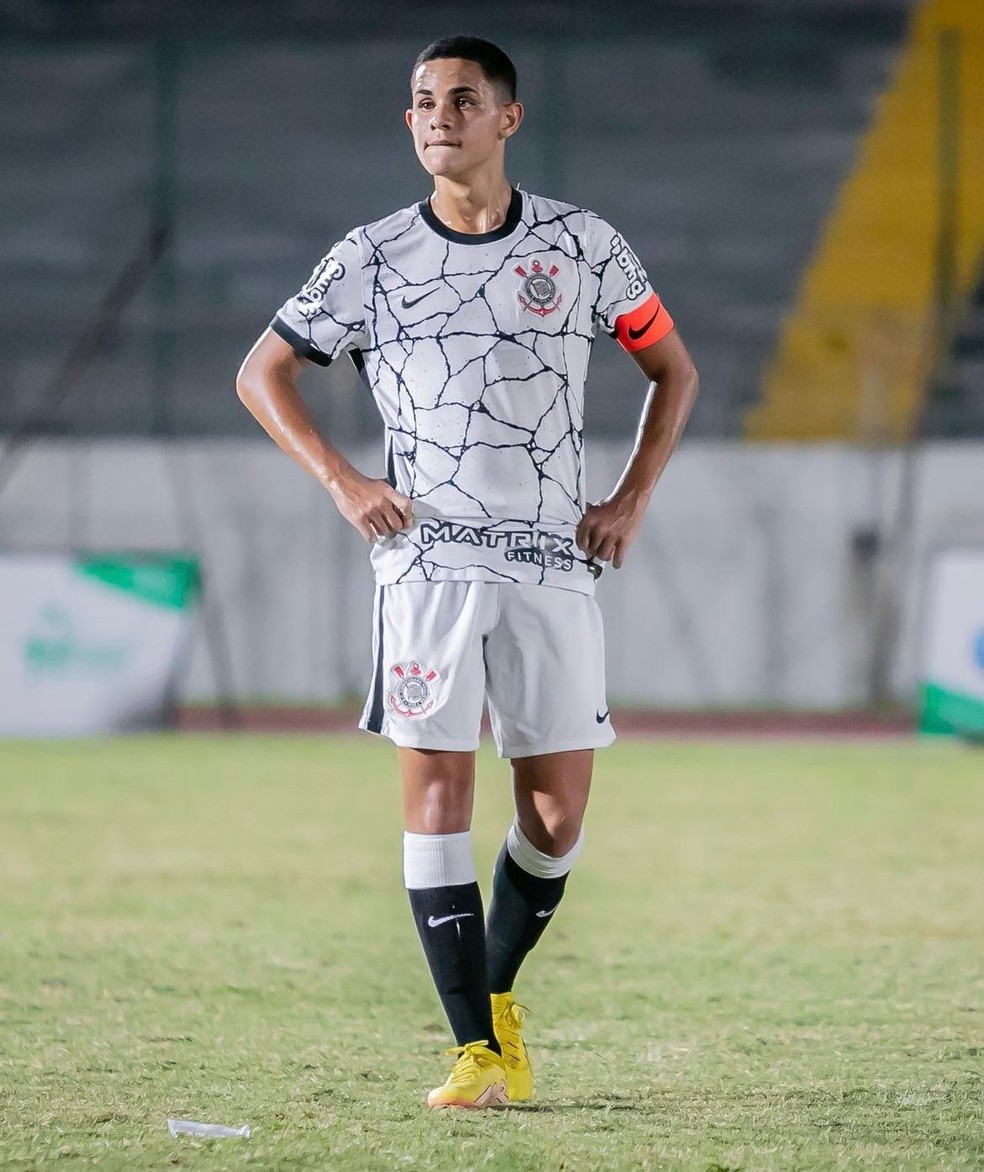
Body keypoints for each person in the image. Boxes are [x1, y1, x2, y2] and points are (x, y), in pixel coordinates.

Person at [236, 35, 698, 1110]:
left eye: (461, 98)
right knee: (436, 791)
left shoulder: (584, 246)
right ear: (409, 124)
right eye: (420, 102)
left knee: (556, 818)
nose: (437, 115)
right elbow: (260, 373)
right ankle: (475, 1052)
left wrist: (628, 498)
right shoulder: (371, 254)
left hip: (551, 562)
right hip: (428, 563)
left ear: (507, 118)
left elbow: (671, 367)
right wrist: (345, 481)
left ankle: (492, 999)